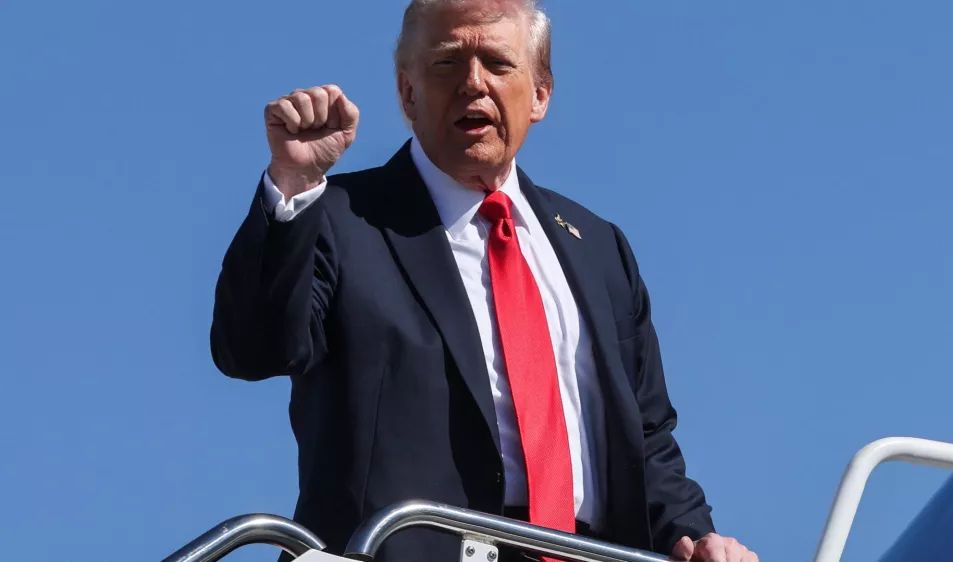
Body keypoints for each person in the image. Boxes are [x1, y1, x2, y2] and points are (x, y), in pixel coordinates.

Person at [210, 1, 756, 561]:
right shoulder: (338, 218)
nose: (473, 83)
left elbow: (648, 440)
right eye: (447, 63)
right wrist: (295, 183)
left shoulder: (598, 248)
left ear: (540, 93)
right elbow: (251, 349)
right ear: (407, 94)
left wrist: (694, 536)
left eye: (497, 63)